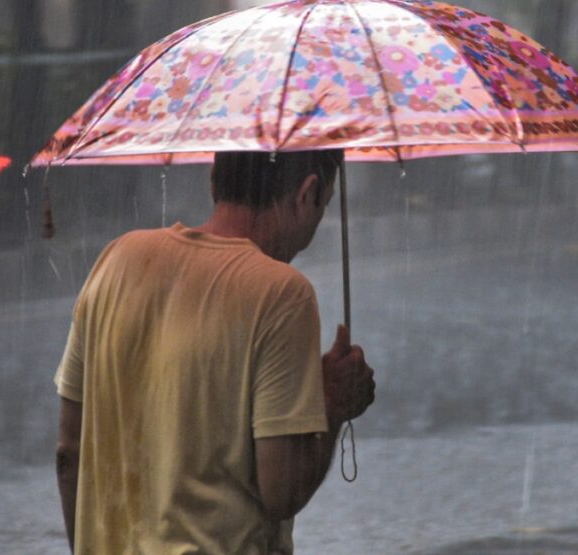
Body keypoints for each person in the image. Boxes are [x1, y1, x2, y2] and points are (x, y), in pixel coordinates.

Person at [53, 149, 375, 554]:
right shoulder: (280, 294)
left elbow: (68, 454)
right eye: (323, 205)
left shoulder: (117, 260)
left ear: (213, 178)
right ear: (308, 193)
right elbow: (281, 491)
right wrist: (332, 406)